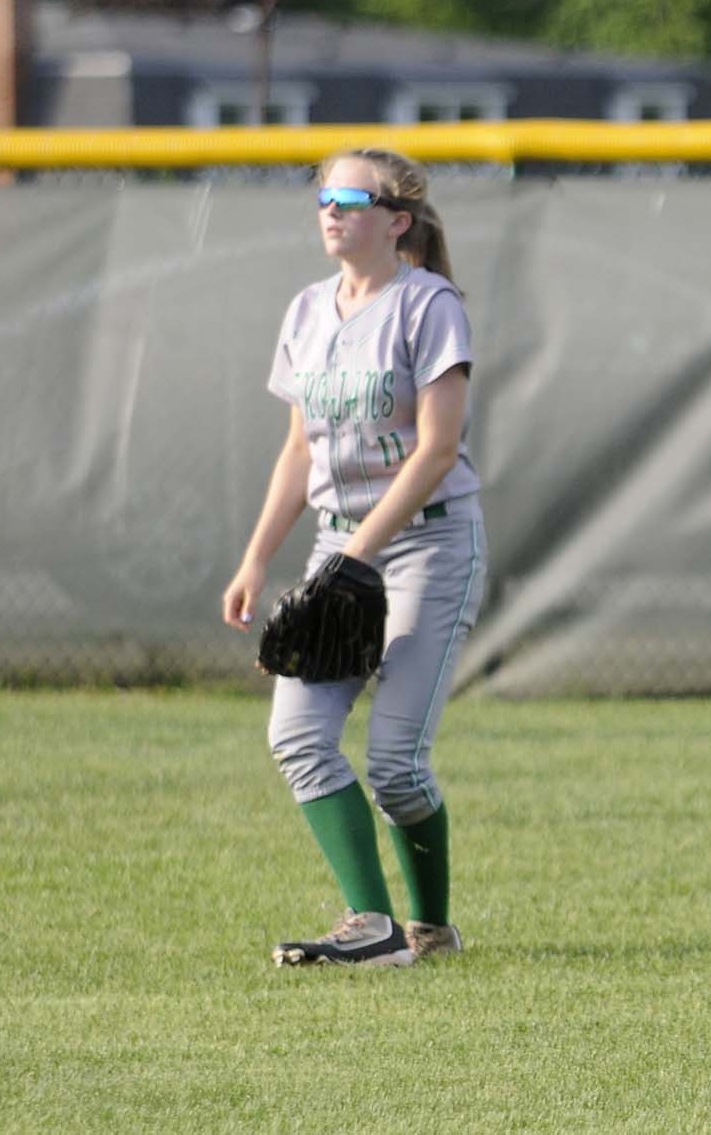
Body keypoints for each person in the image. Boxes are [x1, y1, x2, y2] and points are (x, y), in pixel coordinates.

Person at [221, 148, 488, 967]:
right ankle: (371, 923)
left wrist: (359, 558)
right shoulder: (307, 311)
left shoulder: (427, 305)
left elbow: (438, 448)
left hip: (428, 543)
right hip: (341, 541)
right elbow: (299, 450)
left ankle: (432, 928)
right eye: (322, 195)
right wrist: (259, 557)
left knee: (396, 764)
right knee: (299, 736)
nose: (330, 209)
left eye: (350, 197)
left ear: (396, 220)